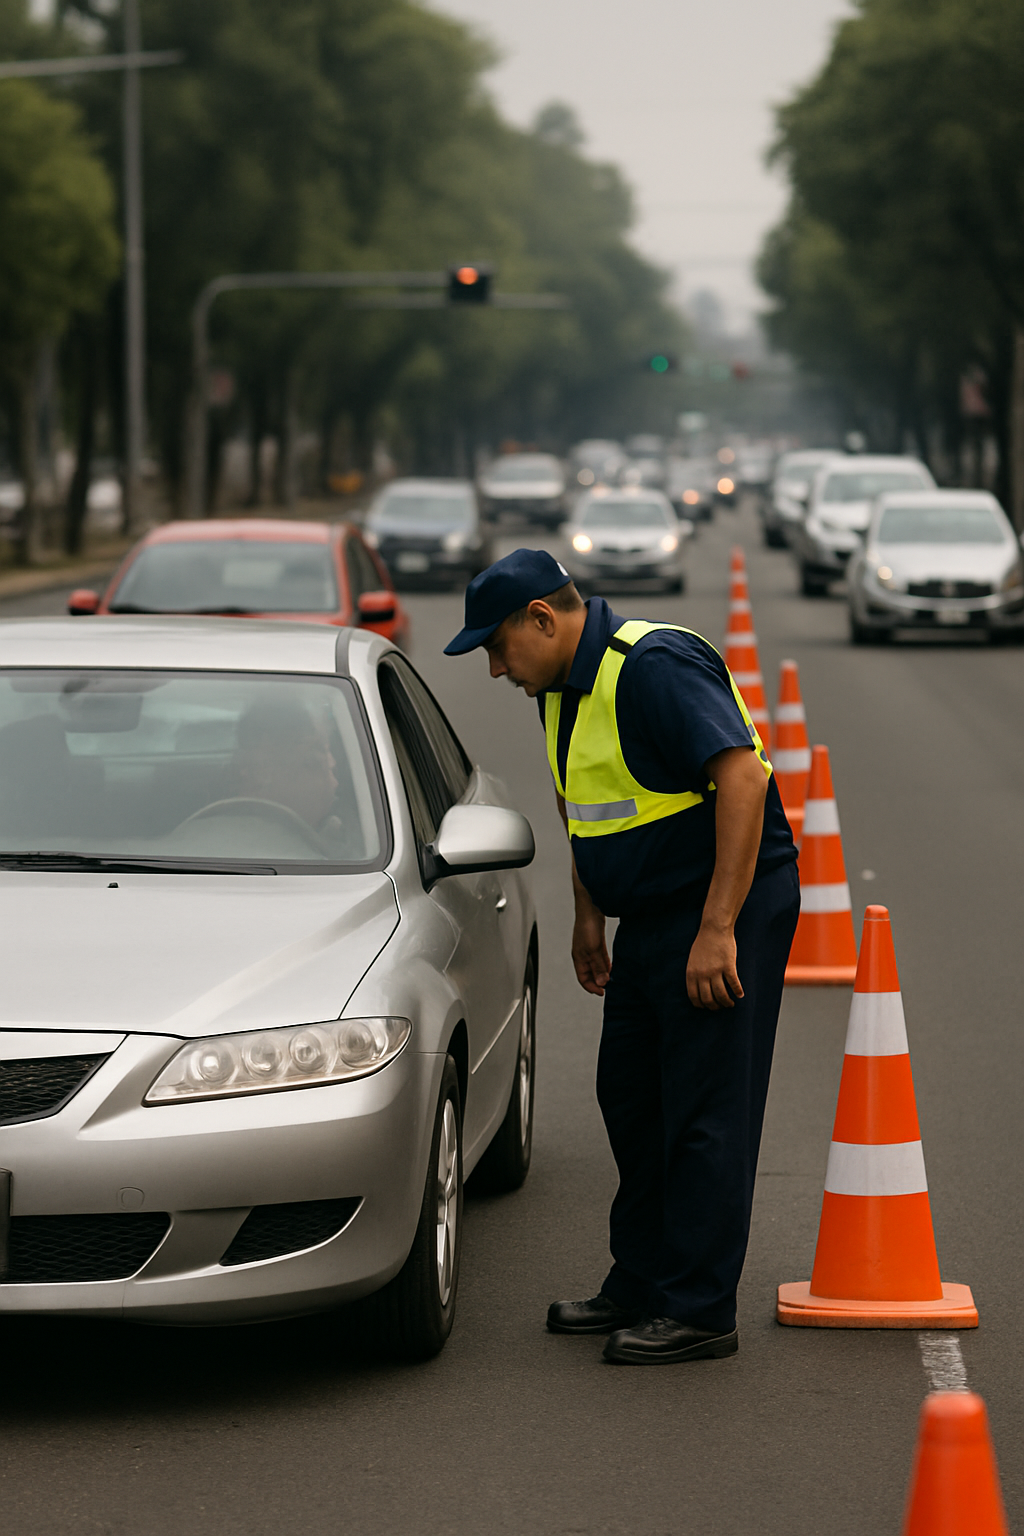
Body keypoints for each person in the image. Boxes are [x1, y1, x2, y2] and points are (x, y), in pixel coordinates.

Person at [444, 549, 799, 1365]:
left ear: (543, 617)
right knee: (632, 1096)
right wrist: (587, 916)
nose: (497, 669)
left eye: (498, 647)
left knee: (705, 1110)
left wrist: (719, 929)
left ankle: (700, 1308)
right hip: (649, 909)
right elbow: (584, 806)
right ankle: (639, 1281)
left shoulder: (654, 664)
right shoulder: (559, 690)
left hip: (723, 901)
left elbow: (743, 781)